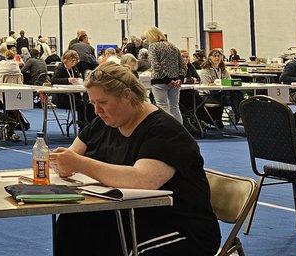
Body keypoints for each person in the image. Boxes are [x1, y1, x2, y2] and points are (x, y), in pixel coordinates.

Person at [49, 63, 220, 256]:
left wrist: (78, 163)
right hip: (127, 215)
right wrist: (62, 163)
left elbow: (143, 180)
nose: (97, 110)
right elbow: (72, 155)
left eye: (103, 102)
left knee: (118, 245)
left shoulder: (164, 131)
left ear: (127, 95)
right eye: (93, 103)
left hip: (179, 226)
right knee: (72, 224)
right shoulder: (103, 123)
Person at [145, 26, 186, 124]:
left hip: (160, 81)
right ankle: (180, 131)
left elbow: (155, 65)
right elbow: (183, 65)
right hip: (176, 81)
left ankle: (167, 131)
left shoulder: (152, 47)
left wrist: (166, 79)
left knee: (162, 106)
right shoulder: (173, 46)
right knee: (175, 107)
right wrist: (180, 78)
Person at [54, 50, 96, 126]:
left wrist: (79, 80)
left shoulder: (74, 69)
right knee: (85, 107)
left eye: (75, 61)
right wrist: (67, 80)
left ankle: (89, 125)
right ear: (65, 59)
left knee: (90, 106)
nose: (73, 62)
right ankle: (83, 126)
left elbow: (79, 77)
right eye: (72, 60)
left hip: (74, 97)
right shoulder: (60, 68)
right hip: (63, 98)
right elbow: (53, 80)